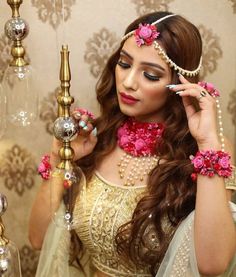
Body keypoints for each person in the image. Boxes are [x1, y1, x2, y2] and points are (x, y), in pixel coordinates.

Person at [29, 11, 236, 277]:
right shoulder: (96, 138)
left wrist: (207, 143)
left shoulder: (208, 152)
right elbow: (37, 238)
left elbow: (213, 265)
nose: (127, 83)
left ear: (179, 84)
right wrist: (60, 159)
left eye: (150, 75)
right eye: (124, 64)